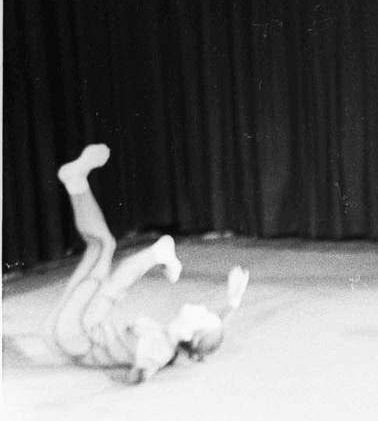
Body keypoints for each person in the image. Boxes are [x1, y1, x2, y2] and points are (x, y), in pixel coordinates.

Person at [47, 143, 248, 384]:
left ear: (192, 335)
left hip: (80, 336)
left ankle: (157, 253)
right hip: (78, 334)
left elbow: (140, 373)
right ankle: (75, 182)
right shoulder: (174, 339)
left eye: (203, 316)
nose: (202, 309)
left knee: (105, 254)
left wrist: (141, 370)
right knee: (101, 246)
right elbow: (209, 334)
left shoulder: (162, 349)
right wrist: (233, 303)